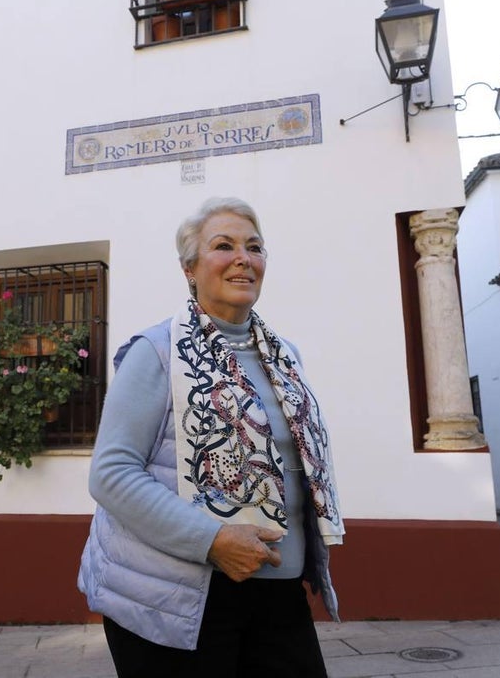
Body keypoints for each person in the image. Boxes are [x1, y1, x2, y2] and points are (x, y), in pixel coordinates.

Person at [78, 197, 344, 678]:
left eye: (255, 246)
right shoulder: (156, 352)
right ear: (190, 269)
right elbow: (111, 474)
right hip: (176, 597)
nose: (244, 257)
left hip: (278, 588)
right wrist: (213, 538)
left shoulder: (285, 356)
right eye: (224, 245)